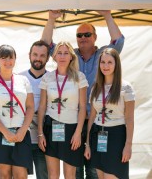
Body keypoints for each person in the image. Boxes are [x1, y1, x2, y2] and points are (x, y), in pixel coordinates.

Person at [41, 10, 124, 179]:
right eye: (79, 35)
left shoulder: (103, 54)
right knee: (75, 170)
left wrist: (107, 15)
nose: (83, 38)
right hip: (73, 121)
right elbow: (46, 44)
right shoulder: (70, 55)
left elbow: (119, 41)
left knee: (94, 167)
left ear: (95, 36)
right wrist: (51, 19)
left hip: (96, 120)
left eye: (87, 34)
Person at [0, 44, 34, 179]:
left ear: (15, 59)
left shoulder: (23, 80)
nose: (7, 62)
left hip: (21, 133)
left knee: (20, 174)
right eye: (3, 58)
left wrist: (23, 129)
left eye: (10, 58)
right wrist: (5, 132)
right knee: (4, 174)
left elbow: (30, 107)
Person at [37, 41, 88, 178]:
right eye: (59, 53)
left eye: (66, 53)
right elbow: (42, 107)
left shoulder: (79, 77)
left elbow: (83, 107)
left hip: (72, 130)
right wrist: (40, 133)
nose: (62, 56)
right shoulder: (47, 77)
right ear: (54, 56)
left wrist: (78, 133)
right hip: (50, 126)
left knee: (69, 175)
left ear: (71, 56)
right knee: (53, 175)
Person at [84, 48, 135, 179]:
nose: (105, 66)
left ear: (116, 64)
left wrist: (128, 145)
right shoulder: (95, 87)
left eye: (109, 62)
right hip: (98, 135)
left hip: (117, 137)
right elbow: (92, 117)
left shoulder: (126, 87)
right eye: (103, 62)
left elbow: (129, 118)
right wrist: (88, 144)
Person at [20, 40, 49, 179]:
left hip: (44, 140)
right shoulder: (18, 78)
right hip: (22, 139)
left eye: (42, 55)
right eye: (35, 54)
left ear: (48, 58)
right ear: (29, 55)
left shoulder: (52, 79)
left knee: (44, 176)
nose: (38, 58)